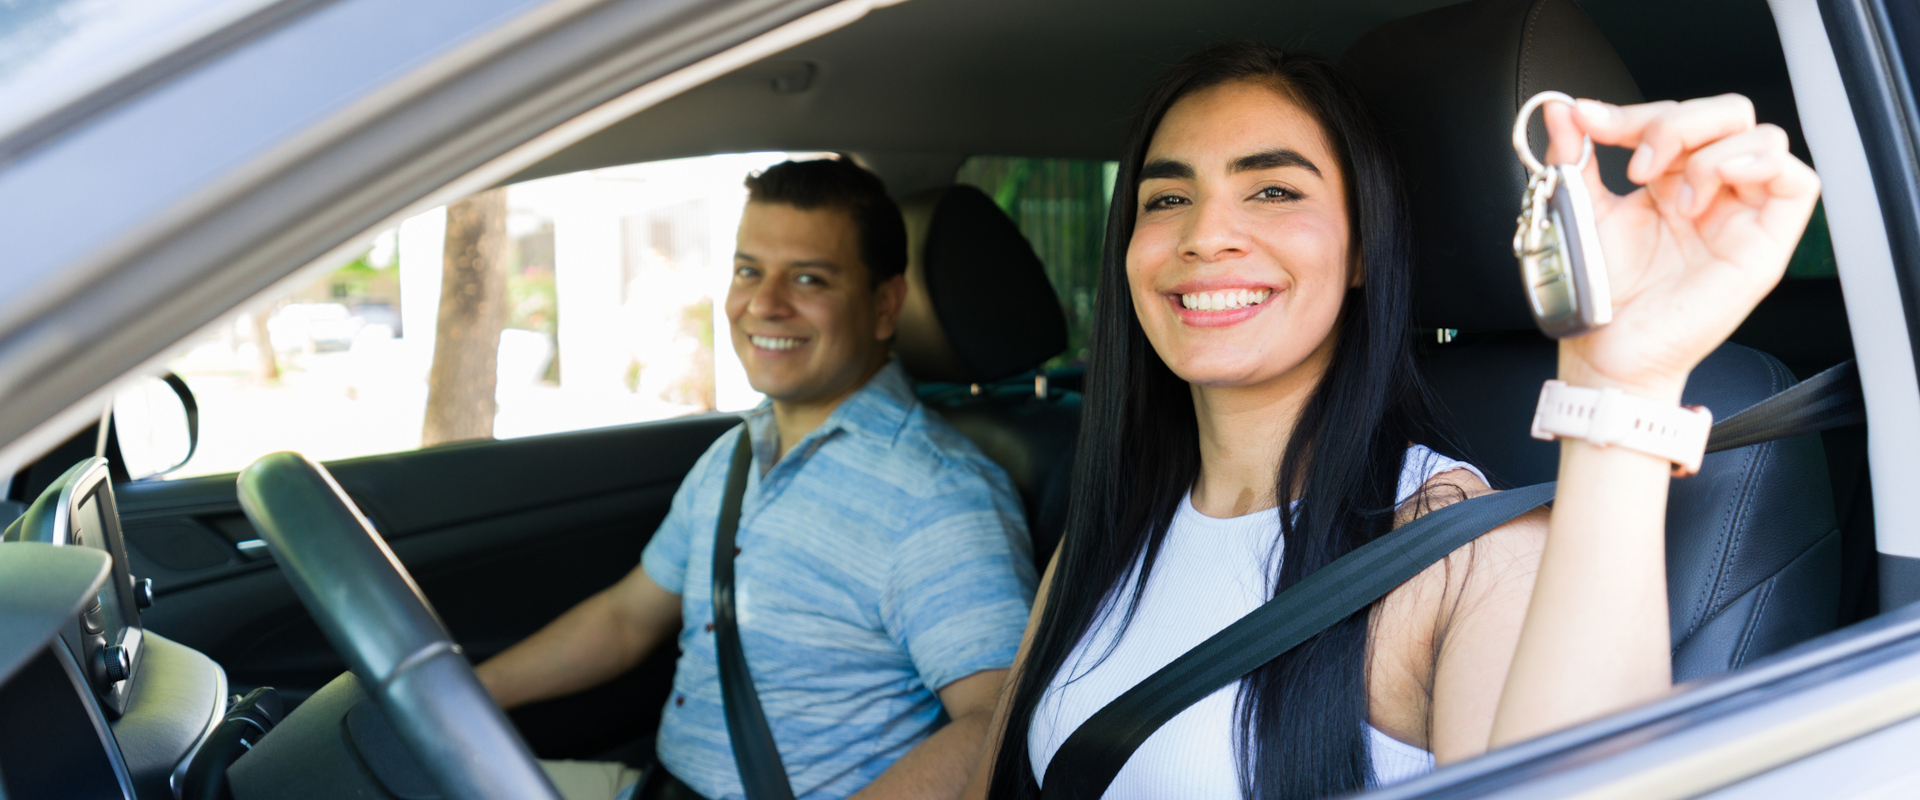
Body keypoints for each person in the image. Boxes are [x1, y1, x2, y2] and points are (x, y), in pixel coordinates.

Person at [962, 43, 1819, 799]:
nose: (1206, 235)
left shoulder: (1454, 550)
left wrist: (1620, 378)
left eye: (1270, 189)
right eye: (1164, 199)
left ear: (1366, 247)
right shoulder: (1110, 527)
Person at [476, 157, 1039, 800]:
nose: (764, 304)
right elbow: (626, 618)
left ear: (885, 306)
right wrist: (465, 693)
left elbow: (994, 721)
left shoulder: (939, 494)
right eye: (749, 271)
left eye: (808, 279)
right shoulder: (736, 451)